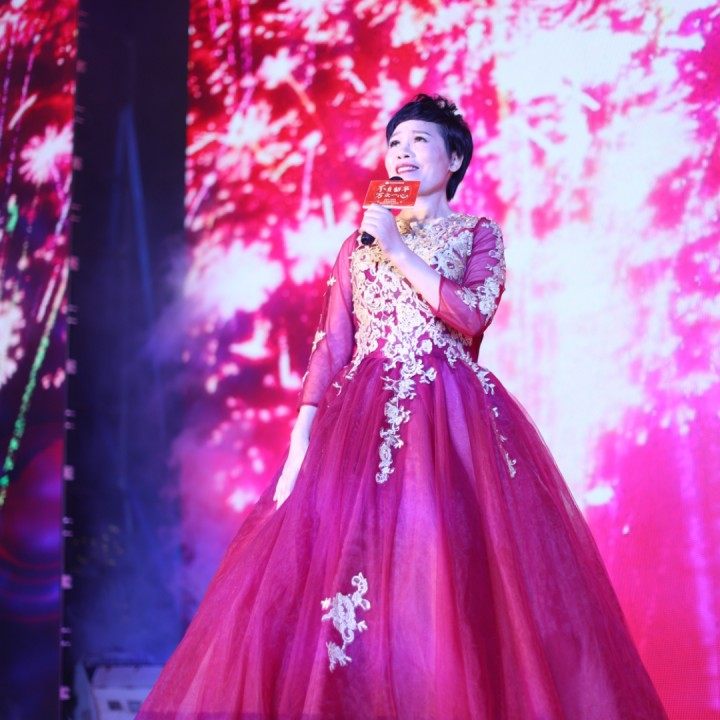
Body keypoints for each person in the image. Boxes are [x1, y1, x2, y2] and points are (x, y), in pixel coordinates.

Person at [137, 94, 668, 719]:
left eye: (419, 141)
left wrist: (397, 248)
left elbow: (471, 314)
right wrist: (301, 440)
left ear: (454, 158)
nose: (403, 153)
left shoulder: (477, 234)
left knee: (441, 580)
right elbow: (332, 346)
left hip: (452, 426)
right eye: (394, 144)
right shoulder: (356, 246)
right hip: (358, 427)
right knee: (340, 577)